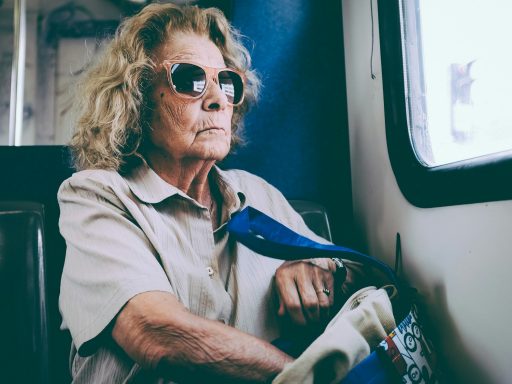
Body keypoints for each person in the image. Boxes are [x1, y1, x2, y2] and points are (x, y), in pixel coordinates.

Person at [58, 3, 365, 383]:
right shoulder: (96, 195)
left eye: (227, 81)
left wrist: (319, 269)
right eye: (190, 79)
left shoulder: (256, 194)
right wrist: (306, 377)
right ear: (137, 98)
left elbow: (358, 275)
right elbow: (156, 332)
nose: (218, 98)